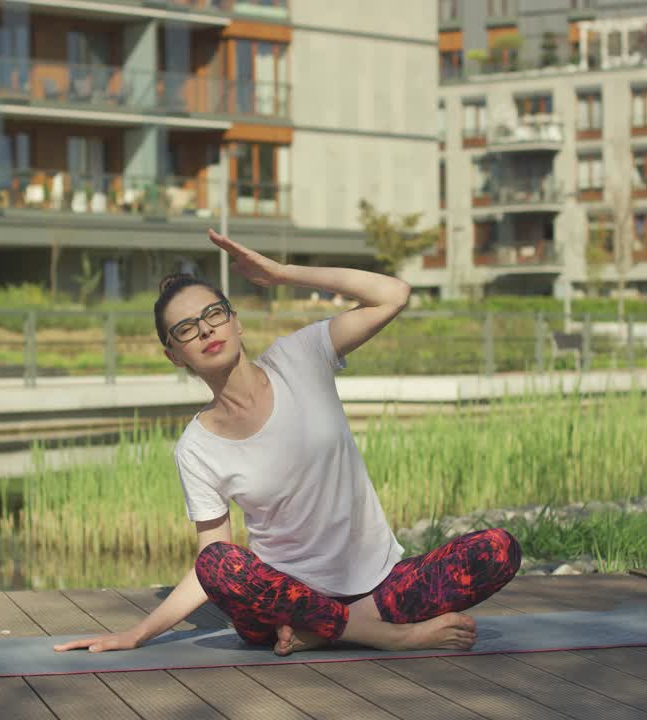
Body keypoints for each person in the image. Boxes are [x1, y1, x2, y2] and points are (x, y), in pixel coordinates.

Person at [55, 229, 520, 657]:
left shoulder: (301, 356)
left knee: (498, 548)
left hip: (382, 586)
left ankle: (335, 630)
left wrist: (281, 274)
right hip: (284, 605)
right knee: (220, 563)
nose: (205, 330)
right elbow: (211, 563)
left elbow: (393, 294)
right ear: (175, 354)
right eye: (186, 329)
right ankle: (388, 635)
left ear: (235, 322)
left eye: (213, 315)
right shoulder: (196, 447)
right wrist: (138, 633)